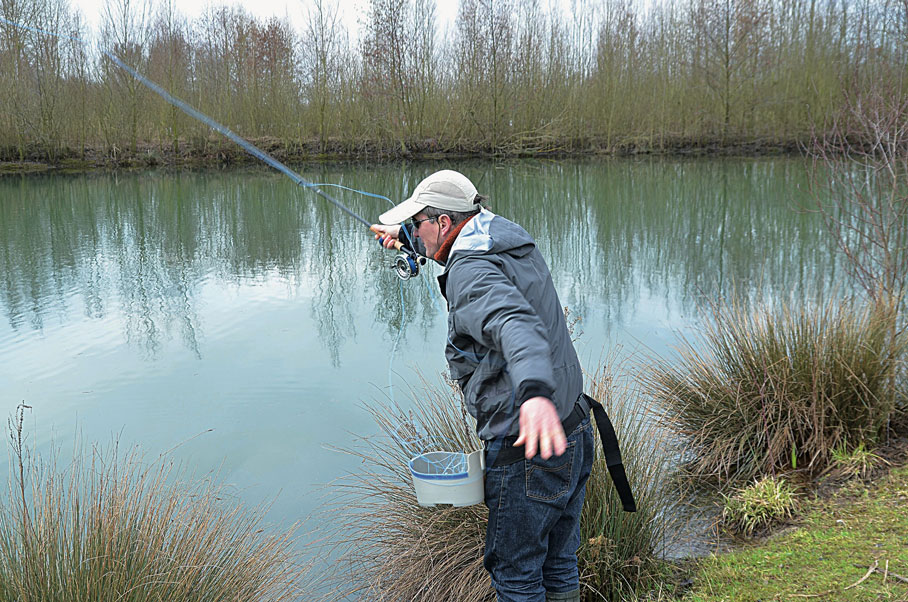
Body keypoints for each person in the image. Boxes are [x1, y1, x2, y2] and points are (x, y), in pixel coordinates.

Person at [371, 169, 595, 602]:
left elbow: (514, 323)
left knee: (516, 575)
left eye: (419, 223)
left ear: (443, 223)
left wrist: (532, 393)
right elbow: (464, 258)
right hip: (575, 426)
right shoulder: (503, 238)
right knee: (560, 560)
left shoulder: (469, 272)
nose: (415, 230)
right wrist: (405, 239)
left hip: (527, 443)